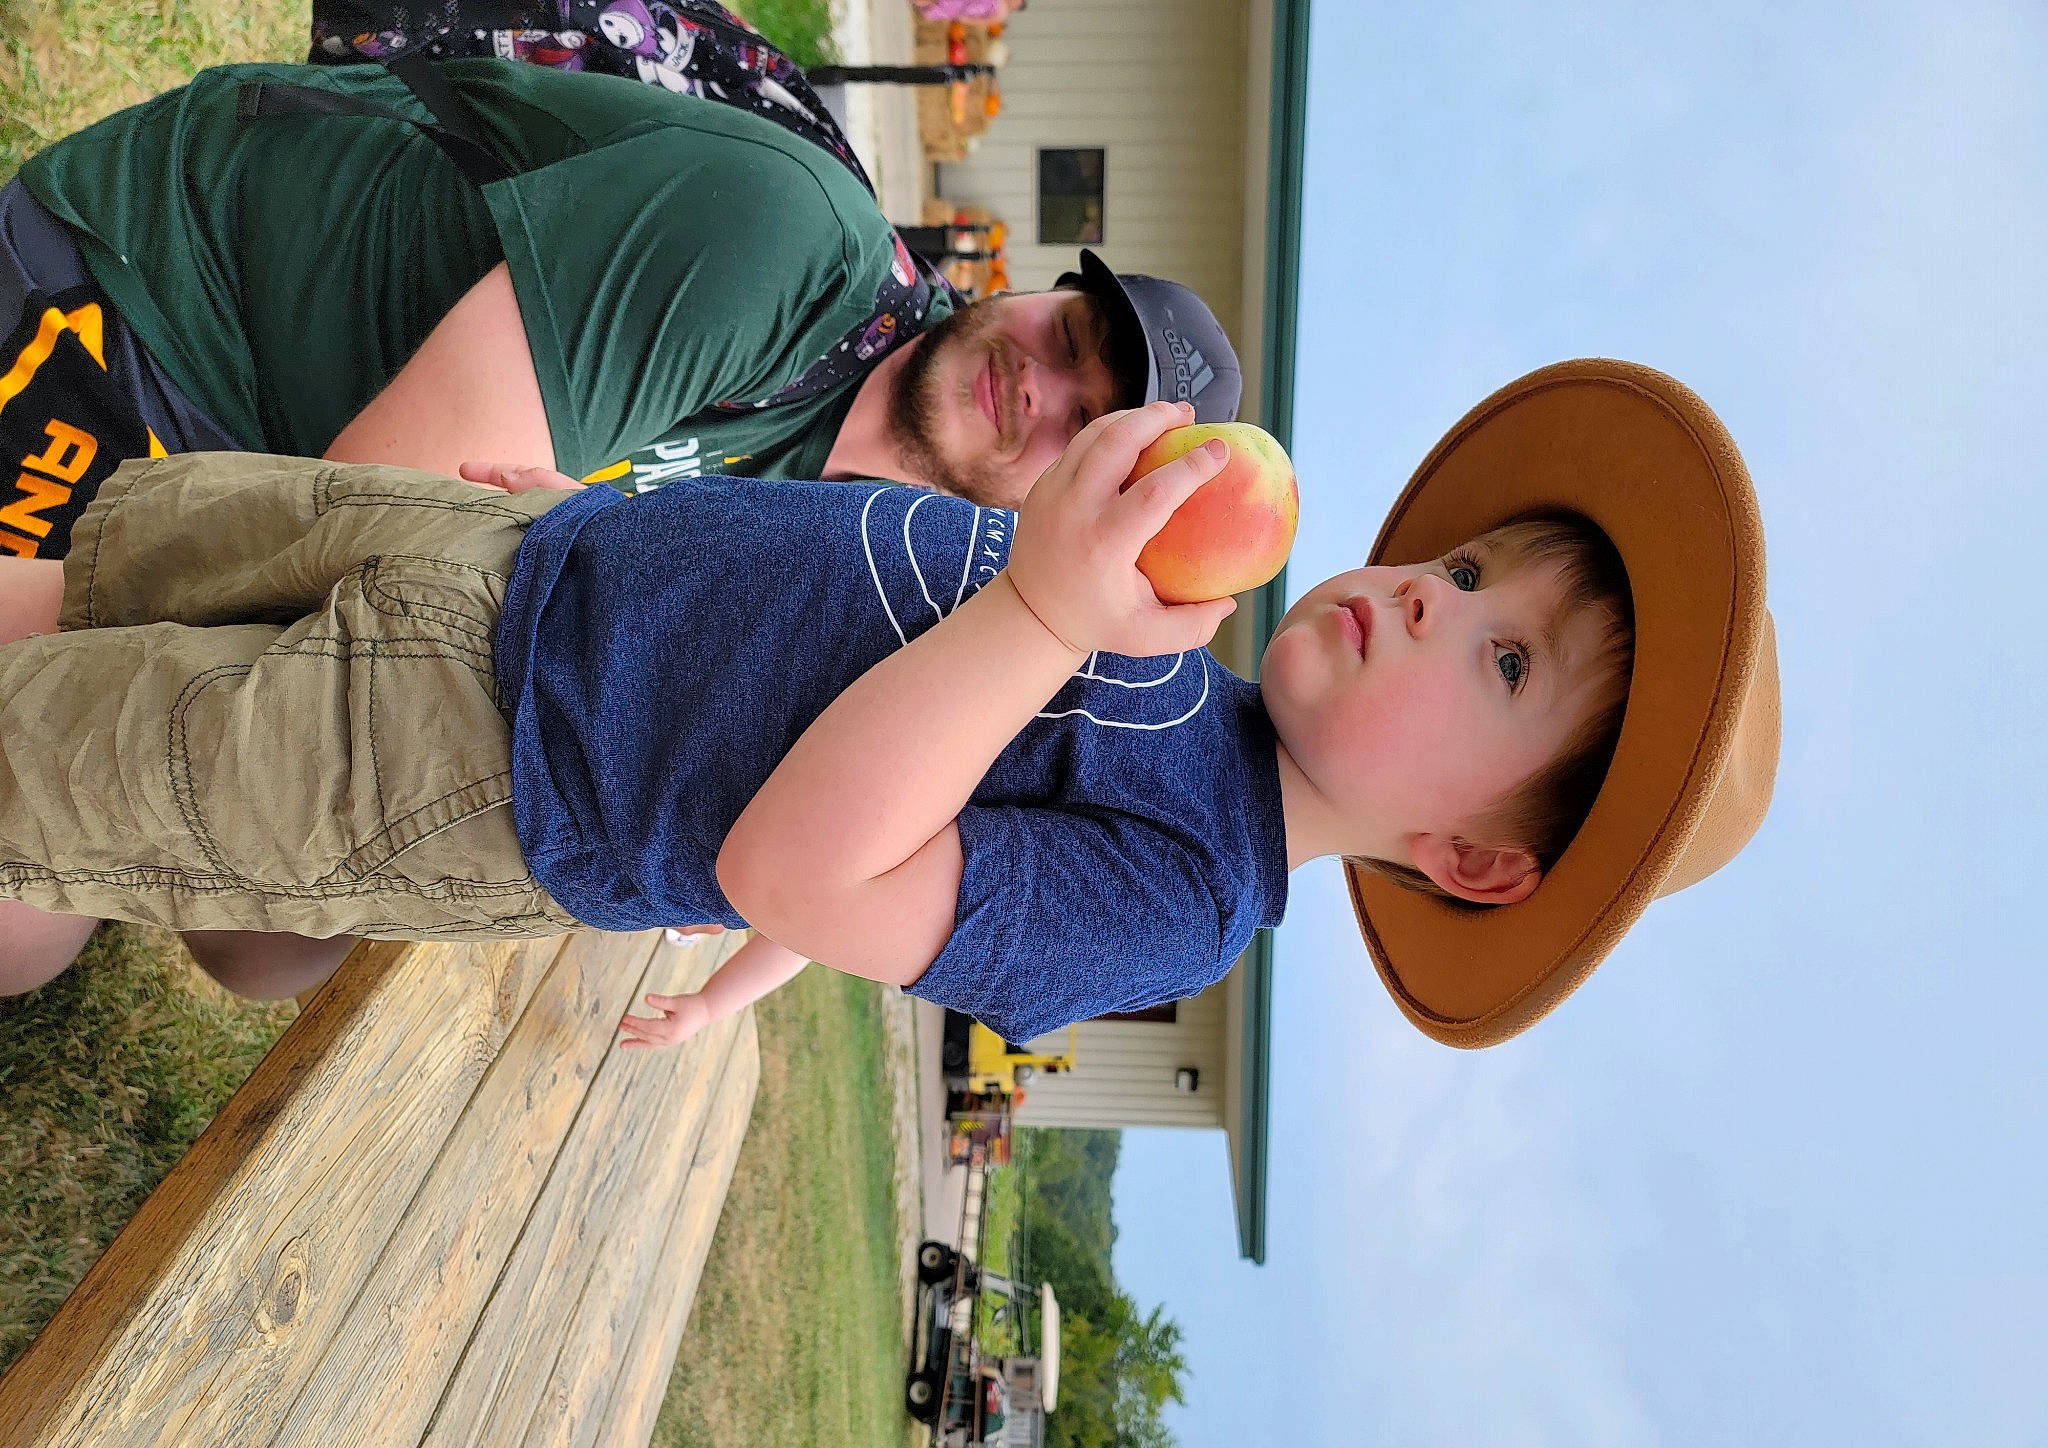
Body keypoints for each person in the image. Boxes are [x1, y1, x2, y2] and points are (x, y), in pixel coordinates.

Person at [0, 361, 1780, 1050]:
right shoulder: (1166, 644)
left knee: (46, 756)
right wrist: (586, 516)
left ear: (1473, 862)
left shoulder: (1177, 887)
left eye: (1499, 658)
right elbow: (845, 631)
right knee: (103, 576)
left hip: (483, 767)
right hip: (516, 569)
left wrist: (1036, 606)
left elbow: (811, 867)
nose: (1424, 589)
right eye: (1468, 567)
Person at [0, 56, 1239, 560]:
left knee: (273, 938)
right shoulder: (781, 243)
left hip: (251, 445)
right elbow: (348, 530)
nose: (1042, 384)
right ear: (1033, 289)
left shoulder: (852, 525)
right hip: (157, 302)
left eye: (1084, 428)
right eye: (1070, 338)